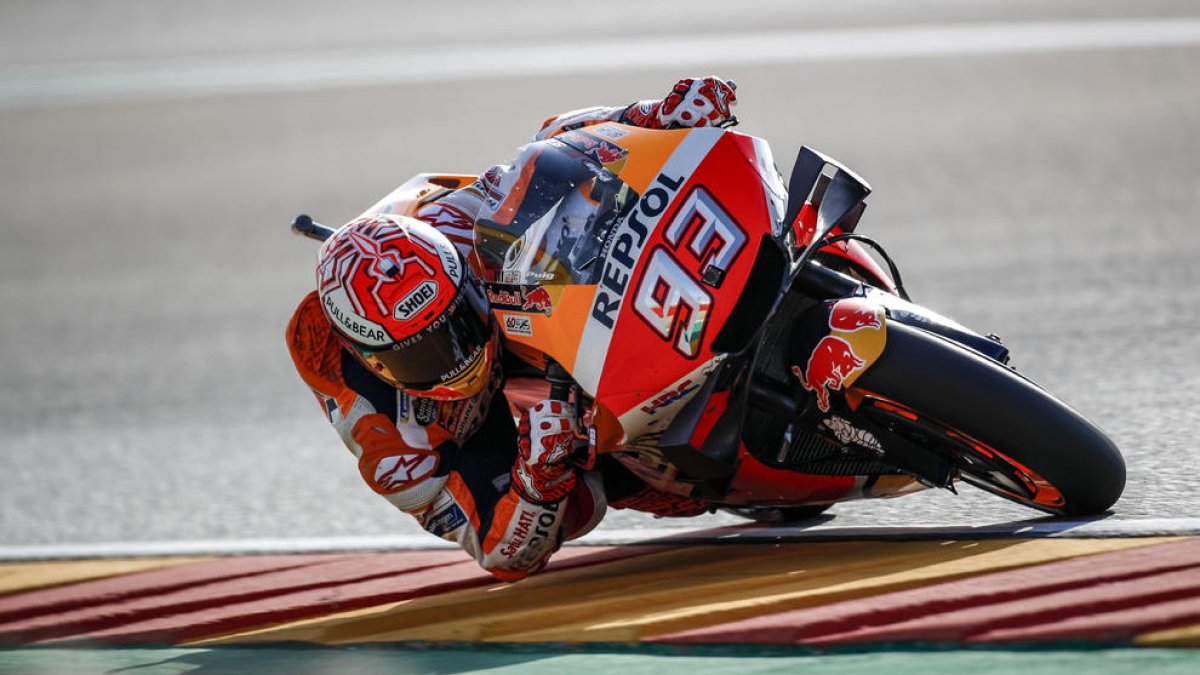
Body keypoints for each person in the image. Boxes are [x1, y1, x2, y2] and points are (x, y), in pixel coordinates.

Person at [286, 77, 738, 581]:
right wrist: (538, 476)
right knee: (594, 500)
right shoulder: (387, 436)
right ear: (374, 361)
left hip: (516, 315)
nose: (455, 357)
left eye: (453, 326)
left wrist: (653, 115)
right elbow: (498, 553)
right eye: (421, 354)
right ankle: (628, 462)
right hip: (501, 435)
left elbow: (554, 147)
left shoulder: (456, 223)